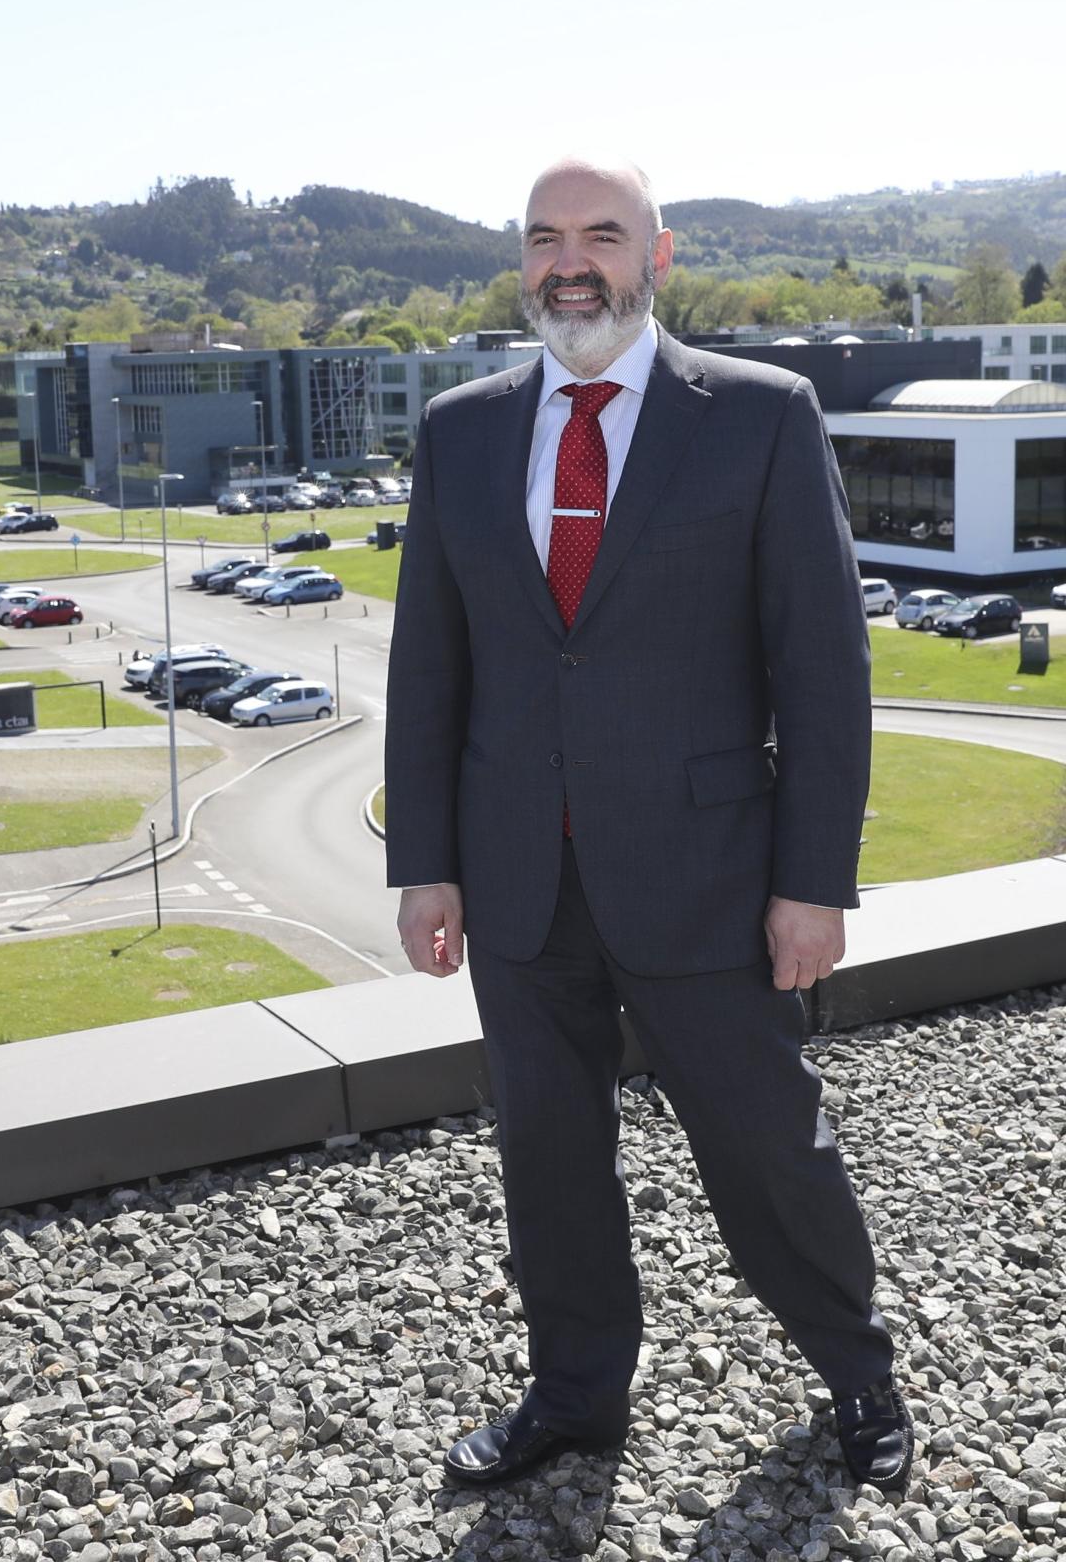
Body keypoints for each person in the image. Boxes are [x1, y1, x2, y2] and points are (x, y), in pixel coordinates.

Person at [383, 157, 913, 1493]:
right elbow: (429, 667)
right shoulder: (458, 430)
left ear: (656, 252)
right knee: (548, 1167)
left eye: (602, 234)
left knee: (771, 1156)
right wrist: (427, 864)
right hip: (516, 885)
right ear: (522, 263)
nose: (575, 260)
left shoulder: (759, 417)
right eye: (547, 237)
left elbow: (823, 670)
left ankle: (859, 1377)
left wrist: (814, 881)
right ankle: (574, 1398)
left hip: (712, 880)